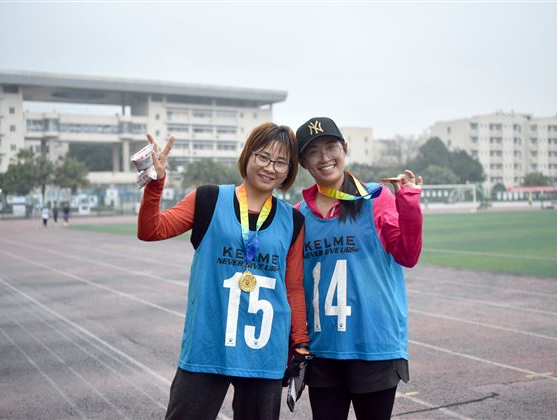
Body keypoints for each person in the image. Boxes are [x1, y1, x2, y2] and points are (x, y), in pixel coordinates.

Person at [137, 123, 310, 420]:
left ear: (289, 170)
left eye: (281, 162)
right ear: (248, 155)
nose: (270, 167)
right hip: (208, 345)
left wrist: (301, 343)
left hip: (264, 349)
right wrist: (156, 183)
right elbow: (151, 230)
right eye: (263, 157)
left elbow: (293, 287)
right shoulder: (208, 199)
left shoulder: (292, 220)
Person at [294, 117, 423, 420]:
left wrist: (409, 204)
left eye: (331, 147)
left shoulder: (376, 198)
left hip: (373, 345)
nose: (324, 158)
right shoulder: (298, 215)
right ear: (303, 163)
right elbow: (295, 284)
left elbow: (408, 256)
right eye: (313, 152)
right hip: (323, 349)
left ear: (345, 148)